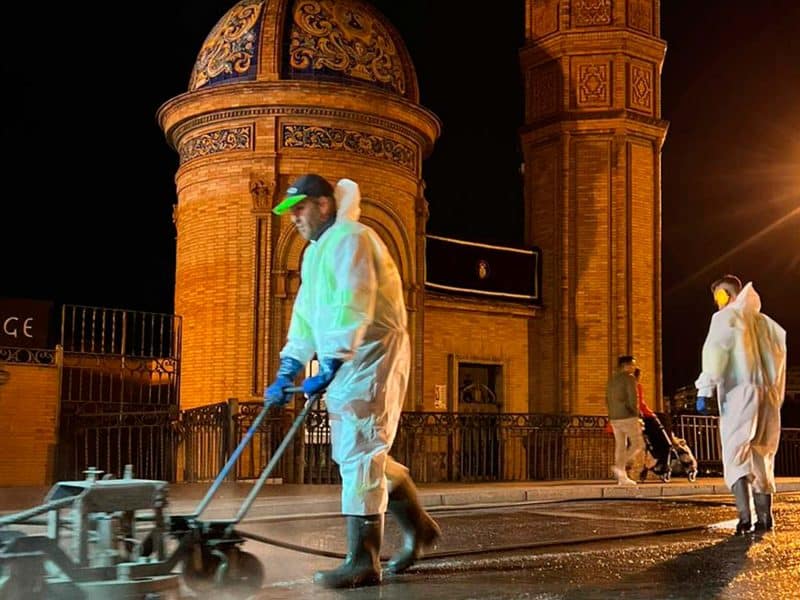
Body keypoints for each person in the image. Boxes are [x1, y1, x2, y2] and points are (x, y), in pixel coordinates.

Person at [264, 174, 441, 588]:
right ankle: (419, 528)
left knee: (361, 448)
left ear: (324, 205)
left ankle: (363, 560)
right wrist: (289, 365)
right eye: (289, 213)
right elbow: (307, 316)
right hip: (350, 357)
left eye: (299, 209)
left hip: (373, 353)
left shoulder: (351, 238)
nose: (294, 219)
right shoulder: (315, 253)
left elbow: (353, 300)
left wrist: (331, 362)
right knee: (357, 452)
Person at [695, 275, 787, 534]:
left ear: (727, 294)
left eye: (718, 296)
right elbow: (779, 363)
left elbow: (715, 351)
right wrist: (774, 396)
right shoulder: (767, 324)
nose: (717, 303)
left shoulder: (725, 317)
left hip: (739, 393)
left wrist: (705, 388)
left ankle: (745, 518)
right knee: (762, 454)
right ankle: (766, 519)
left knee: (736, 452)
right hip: (767, 397)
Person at [605, 355, 644, 485]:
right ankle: (619, 468)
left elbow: (608, 399)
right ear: (625, 365)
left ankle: (622, 479)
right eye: (632, 364)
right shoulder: (629, 378)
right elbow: (633, 398)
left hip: (614, 417)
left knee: (621, 446)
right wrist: (636, 413)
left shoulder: (612, 380)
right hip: (627, 416)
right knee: (638, 444)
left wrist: (612, 414)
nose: (634, 367)